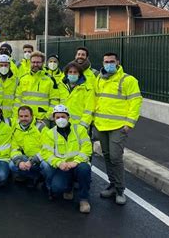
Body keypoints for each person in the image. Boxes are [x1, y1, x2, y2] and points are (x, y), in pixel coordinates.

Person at [93, 52, 142, 205]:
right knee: (106, 156)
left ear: (118, 62)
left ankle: (120, 190)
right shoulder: (99, 79)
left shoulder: (128, 80)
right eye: (106, 61)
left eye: (111, 61)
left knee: (115, 157)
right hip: (101, 124)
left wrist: (129, 123)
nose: (109, 64)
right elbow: (95, 98)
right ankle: (112, 184)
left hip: (118, 126)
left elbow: (136, 102)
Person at [40, 105, 92, 214]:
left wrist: (76, 161)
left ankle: (84, 200)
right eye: (57, 117)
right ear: (53, 119)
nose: (60, 119)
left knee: (84, 169)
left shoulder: (80, 130)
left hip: (77, 164)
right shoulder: (50, 134)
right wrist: (58, 163)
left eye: (63, 116)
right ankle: (69, 188)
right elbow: (46, 153)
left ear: (68, 117)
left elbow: (87, 148)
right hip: (62, 167)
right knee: (57, 188)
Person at [14, 51, 60, 127]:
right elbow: (17, 100)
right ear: (30, 63)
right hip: (24, 118)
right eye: (33, 62)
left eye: (38, 62)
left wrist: (47, 116)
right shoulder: (23, 79)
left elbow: (55, 100)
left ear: (43, 63)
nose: (35, 64)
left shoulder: (50, 80)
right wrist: (16, 117)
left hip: (42, 119)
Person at [9, 106, 46, 188]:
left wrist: (33, 161)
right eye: (21, 116)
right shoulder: (16, 129)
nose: (23, 118)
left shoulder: (41, 127)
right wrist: (19, 162)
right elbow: (14, 149)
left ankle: (46, 181)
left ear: (32, 116)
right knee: (12, 165)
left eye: (26, 116)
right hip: (26, 159)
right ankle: (32, 177)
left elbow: (47, 148)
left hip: (40, 158)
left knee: (46, 166)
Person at [58, 62, 94, 129]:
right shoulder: (60, 86)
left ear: (79, 74)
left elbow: (89, 109)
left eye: (75, 72)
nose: (72, 74)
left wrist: (83, 125)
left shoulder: (87, 88)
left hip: (80, 126)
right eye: (70, 72)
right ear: (66, 74)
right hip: (62, 124)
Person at [0, 54, 18, 120]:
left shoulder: (16, 80)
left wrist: (15, 116)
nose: (3, 67)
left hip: (10, 116)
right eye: (1, 65)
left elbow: (17, 99)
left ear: (10, 66)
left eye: (6, 65)